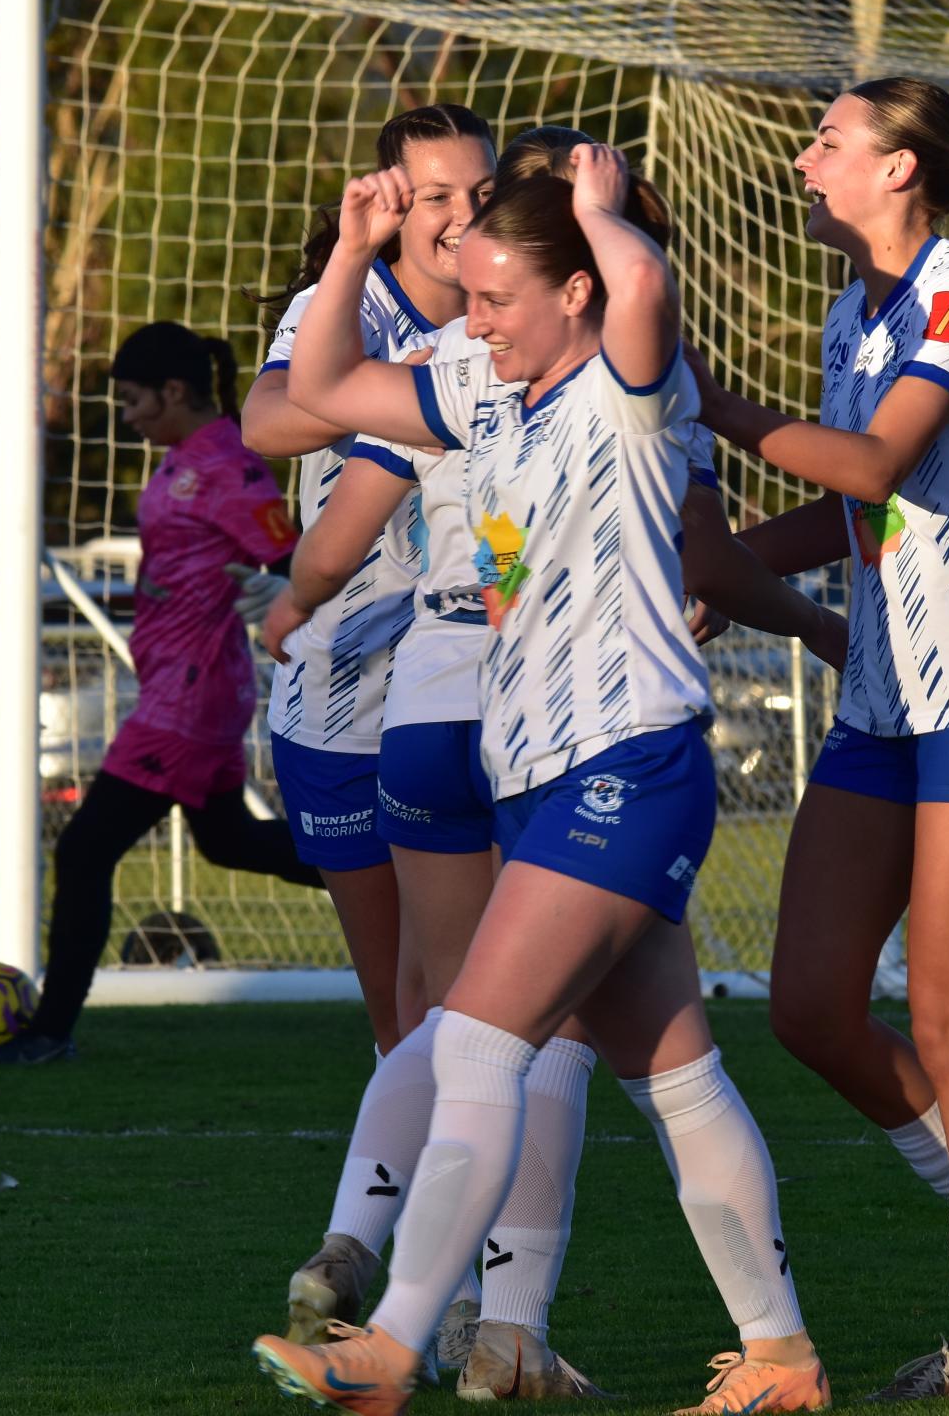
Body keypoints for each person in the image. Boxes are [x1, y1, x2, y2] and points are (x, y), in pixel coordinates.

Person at [260, 125, 843, 1400]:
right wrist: (357, 252)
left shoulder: (631, 387)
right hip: (545, 779)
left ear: (574, 289)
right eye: (466, 297)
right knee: (679, 1078)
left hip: (623, 764)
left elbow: (639, 291)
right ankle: (783, 1355)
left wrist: (604, 210)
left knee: (473, 1042)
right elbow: (321, 389)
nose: (475, 321)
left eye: (499, 299)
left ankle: (397, 1344)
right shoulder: (482, 388)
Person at [692, 76, 949, 1397]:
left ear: (902, 172)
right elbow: (867, 521)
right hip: (883, 706)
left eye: (829, 141)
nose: (805, 160)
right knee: (806, 1005)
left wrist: (708, 403)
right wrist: (716, 565)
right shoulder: (850, 310)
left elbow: (870, 467)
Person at [0, 321, 322, 1066]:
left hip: (189, 703)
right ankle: (382, 864)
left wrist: (279, 586)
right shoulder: (181, 461)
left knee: (84, 850)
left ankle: (49, 1033)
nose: (125, 416)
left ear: (172, 391)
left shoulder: (230, 466)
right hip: (177, 687)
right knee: (227, 843)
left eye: (133, 400)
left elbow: (291, 558)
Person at [245, 104, 500, 1060]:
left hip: (470, 679)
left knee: (494, 998)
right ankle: (419, 1204)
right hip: (347, 695)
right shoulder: (339, 308)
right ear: (393, 203)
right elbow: (265, 424)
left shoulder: (511, 312)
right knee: (407, 1016)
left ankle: (493, 1204)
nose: (463, 217)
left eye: (482, 193)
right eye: (437, 196)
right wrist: (400, 388)